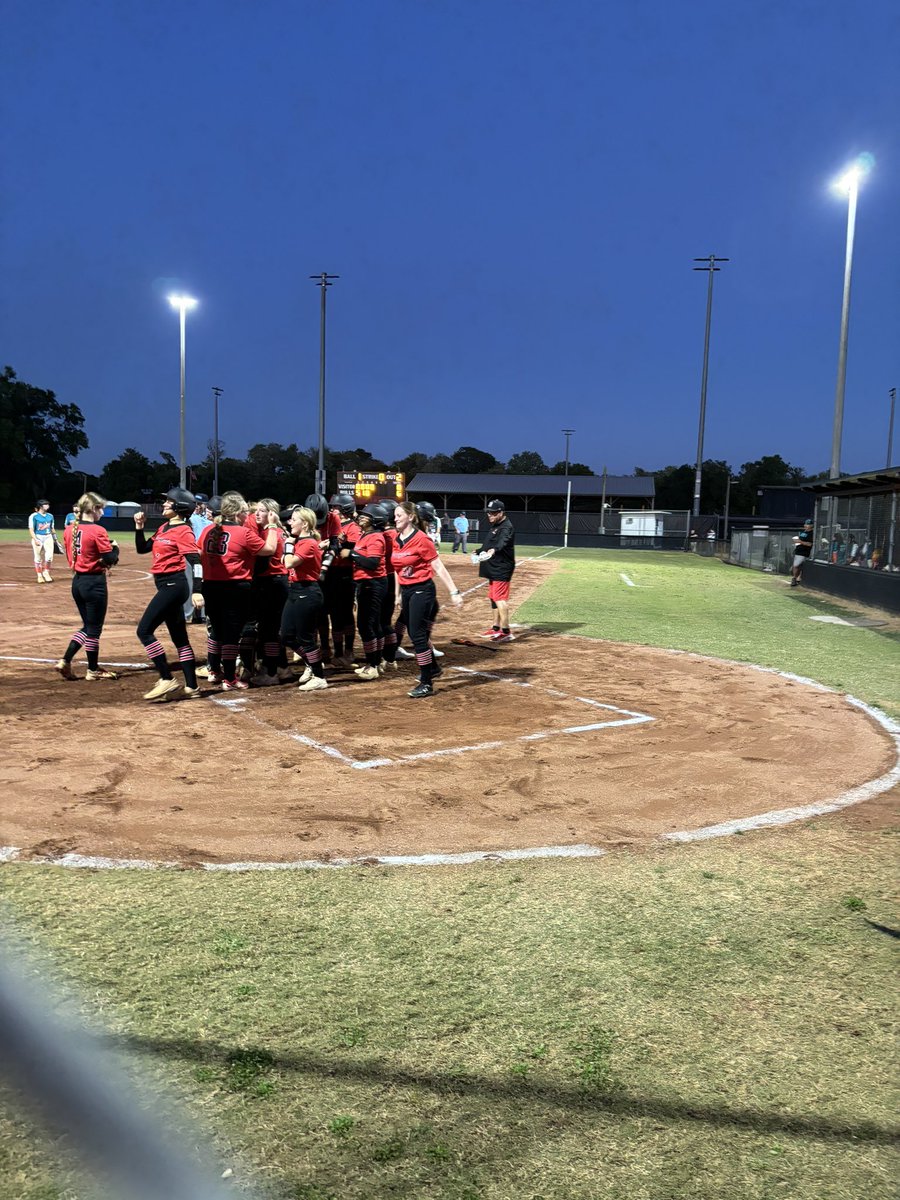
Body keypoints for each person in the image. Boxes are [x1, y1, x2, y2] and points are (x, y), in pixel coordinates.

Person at [197, 491, 280, 690]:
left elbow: (199, 554)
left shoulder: (209, 530)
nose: (247, 516)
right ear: (236, 514)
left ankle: (214, 670)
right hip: (234, 587)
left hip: (210, 585)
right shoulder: (243, 533)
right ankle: (229, 679)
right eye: (244, 512)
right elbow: (269, 549)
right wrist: (273, 526)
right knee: (232, 634)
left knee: (216, 630)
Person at [133, 487, 203, 702]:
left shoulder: (184, 530)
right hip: (165, 584)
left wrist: (198, 591)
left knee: (144, 631)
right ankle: (192, 687)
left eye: (169, 502)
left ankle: (166, 678)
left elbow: (197, 563)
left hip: (175, 585)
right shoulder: (164, 527)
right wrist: (139, 527)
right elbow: (143, 548)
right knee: (180, 638)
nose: (164, 504)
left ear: (180, 507)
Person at [392, 501, 463, 698]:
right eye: (395, 515)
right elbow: (398, 569)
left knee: (417, 634)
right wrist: (397, 594)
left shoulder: (422, 539)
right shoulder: (397, 539)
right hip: (406, 591)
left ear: (411, 517)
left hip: (422, 589)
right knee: (415, 632)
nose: (395, 518)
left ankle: (426, 683)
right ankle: (432, 668)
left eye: (399, 515)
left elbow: (438, 566)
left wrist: (454, 591)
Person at [55, 492, 120, 681]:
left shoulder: (69, 529)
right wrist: (115, 548)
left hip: (77, 582)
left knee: (88, 626)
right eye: (101, 508)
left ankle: (66, 660)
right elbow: (110, 559)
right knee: (94, 629)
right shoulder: (97, 530)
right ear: (93, 509)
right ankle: (92, 670)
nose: (103, 512)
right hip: (94, 583)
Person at [281, 505, 327, 691]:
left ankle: (319, 676)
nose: (290, 522)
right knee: (287, 636)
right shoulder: (301, 541)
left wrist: (288, 544)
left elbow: (288, 563)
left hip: (307, 592)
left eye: (294, 519)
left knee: (306, 637)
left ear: (305, 524)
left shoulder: (308, 543)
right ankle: (313, 663)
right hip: (295, 591)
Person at [344, 502, 388, 681]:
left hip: (373, 583)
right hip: (368, 583)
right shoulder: (366, 535)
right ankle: (375, 662)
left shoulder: (375, 537)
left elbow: (372, 563)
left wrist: (351, 554)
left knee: (366, 625)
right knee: (372, 625)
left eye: (366, 515)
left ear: (375, 519)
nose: (361, 516)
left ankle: (373, 665)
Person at [475, 499, 516, 642]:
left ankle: (506, 632)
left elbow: (501, 543)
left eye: (493, 513)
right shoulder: (495, 526)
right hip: (493, 566)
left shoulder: (506, 527)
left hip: (502, 567)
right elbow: (489, 543)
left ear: (501, 512)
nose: (489, 515)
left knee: (499, 598)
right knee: (493, 597)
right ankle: (496, 628)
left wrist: (494, 550)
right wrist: (479, 550)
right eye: (489, 512)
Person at [186, 494, 213, 623]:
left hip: (203, 556)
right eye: (195, 504)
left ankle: (199, 614)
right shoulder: (191, 518)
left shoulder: (208, 521)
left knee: (200, 584)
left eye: (199, 504)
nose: (197, 506)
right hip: (192, 554)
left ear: (205, 505)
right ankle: (190, 614)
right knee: (193, 583)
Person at [29, 500, 56, 583]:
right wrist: (35, 539)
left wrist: (55, 539)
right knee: (38, 557)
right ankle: (39, 575)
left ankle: (46, 573)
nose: (48, 505)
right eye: (45, 504)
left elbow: (52, 528)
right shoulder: (34, 516)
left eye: (48, 504)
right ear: (40, 506)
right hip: (38, 536)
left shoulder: (50, 516)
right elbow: (31, 529)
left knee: (49, 557)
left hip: (48, 537)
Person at [790, 519, 814, 587]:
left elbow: (810, 544)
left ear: (811, 526)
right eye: (805, 524)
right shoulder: (804, 532)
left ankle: (796, 578)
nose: (805, 525)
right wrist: (797, 541)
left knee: (797, 566)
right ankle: (795, 578)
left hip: (804, 552)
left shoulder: (812, 533)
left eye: (808, 524)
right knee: (797, 566)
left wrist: (800, 541)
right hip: (798, 551)